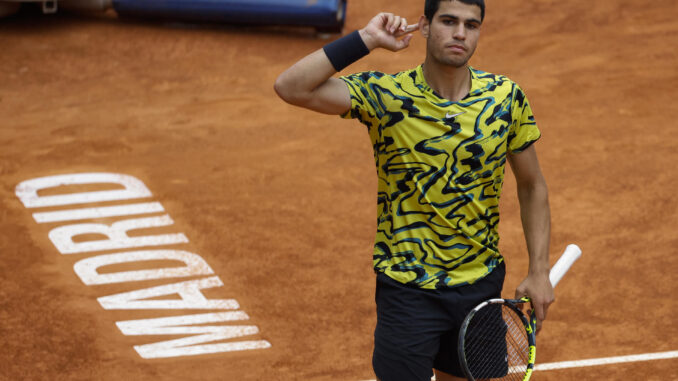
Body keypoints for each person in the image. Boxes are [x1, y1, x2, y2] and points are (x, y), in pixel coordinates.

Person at [274, 1, 554, 380]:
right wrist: (366, 40)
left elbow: (532, 185)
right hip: (407, 290)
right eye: (448, 21)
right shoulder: (388, 96)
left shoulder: (504, 99)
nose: (460, 33)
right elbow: (290, 86)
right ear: (423, 26)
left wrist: (539, 270)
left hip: (480, 286)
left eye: (471, 25)